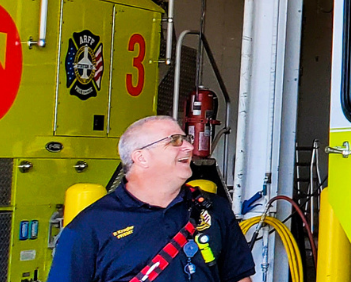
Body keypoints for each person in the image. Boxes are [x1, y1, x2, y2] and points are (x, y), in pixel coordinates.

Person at [51, 116, 254, 282]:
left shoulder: (213, 208)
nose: (189, 147)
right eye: (175, 140)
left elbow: (238, 277)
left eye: (186, 139)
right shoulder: (90, 227)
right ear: (141, 157)